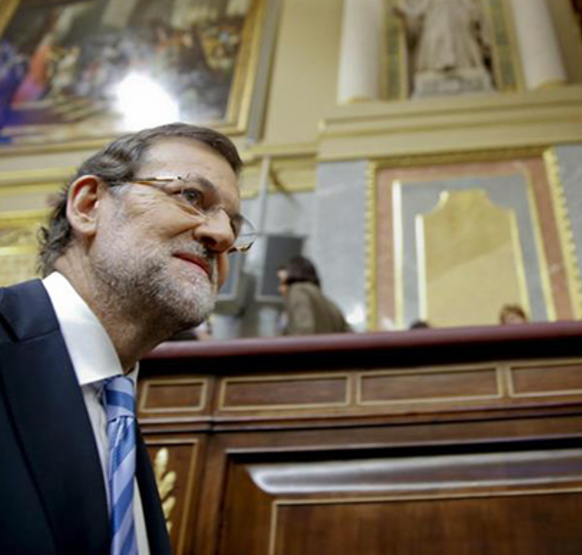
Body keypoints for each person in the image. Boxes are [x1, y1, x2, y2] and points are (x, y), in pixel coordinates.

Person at [0, 122, 253, 554]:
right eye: (192, 197)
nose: (223, 237)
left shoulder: (116, 411)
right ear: (89, 205)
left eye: (233, 224)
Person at [277, 256, 350, 335]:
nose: (279, 289)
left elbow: (303, 331)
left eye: (283, 282)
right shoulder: (326, 302)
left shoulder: (297, 292)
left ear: (293, 276)